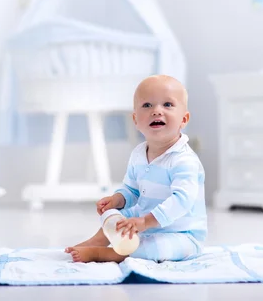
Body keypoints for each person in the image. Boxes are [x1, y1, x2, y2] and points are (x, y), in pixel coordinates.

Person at [65, 75, 207, 263]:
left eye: (167, 105)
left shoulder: (183, 160)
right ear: (135, 119)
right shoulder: (139, 154)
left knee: (155, 248)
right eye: (147, 105)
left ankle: (104, 254)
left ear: (184, 119)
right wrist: (117, 199)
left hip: (181, 234)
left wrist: (145, 222)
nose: (157, 111)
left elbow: (181, 201)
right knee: (112, 215)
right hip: (143, 224)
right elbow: (132, 190)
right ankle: (98, 240)